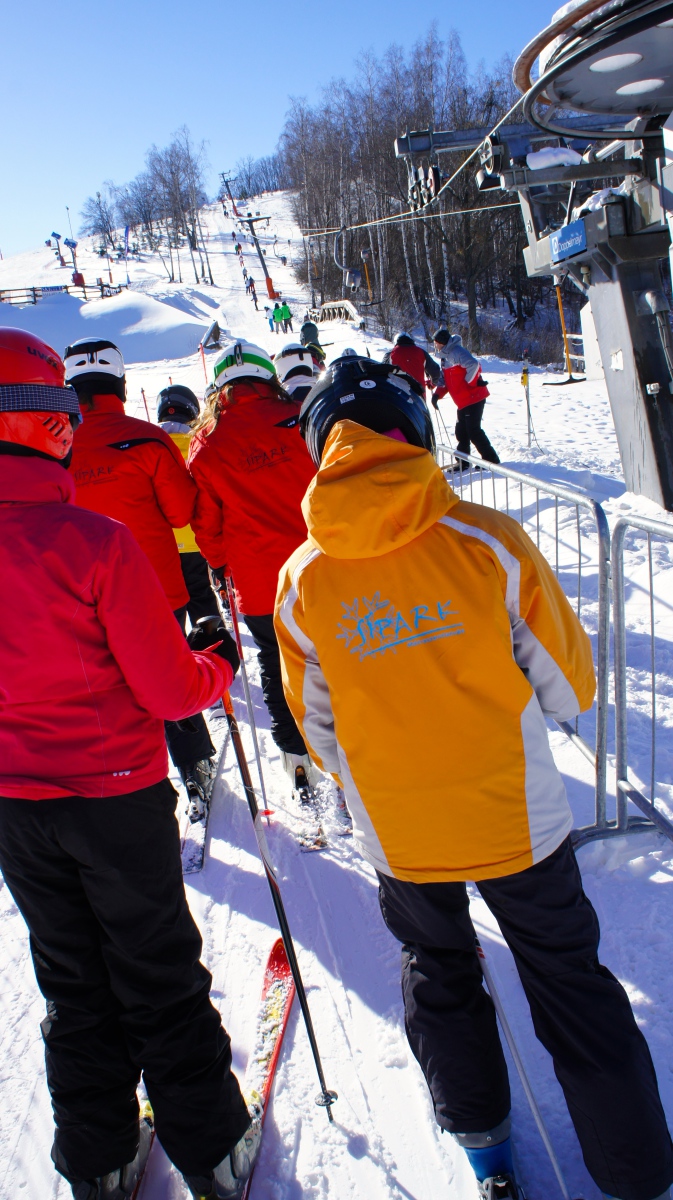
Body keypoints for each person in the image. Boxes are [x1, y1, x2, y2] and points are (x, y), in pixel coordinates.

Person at [274, 353, 673, 1200]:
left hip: (401, 831)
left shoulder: (302, 579)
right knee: (567, 978)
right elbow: (570, 685)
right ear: (414, 430)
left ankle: (481, 1144)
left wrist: (386, 762)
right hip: (513, 814)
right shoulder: (487, 540)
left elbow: (318, 729)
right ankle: (635, 1171)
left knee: (438, 968)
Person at [0, 327, 260, 1200]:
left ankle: (99, 1152)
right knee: (154, 968)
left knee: (72, 978)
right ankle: (211, 1144)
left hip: (16, 806)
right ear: (49, 427)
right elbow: (166, 691)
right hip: (112, 793)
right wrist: (216, 663)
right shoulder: (94, 541)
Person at [64, 338, 218, 816]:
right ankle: (194, 769)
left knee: (108, 690)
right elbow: (179, 514)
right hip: (156, 587)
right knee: (169, 678)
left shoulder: (56, 448)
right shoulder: (147, 440)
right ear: (122, 386)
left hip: (80, 594)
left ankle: (134, 786)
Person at [187, 340, 319, 801]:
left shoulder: (208, 443)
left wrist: (221, 565)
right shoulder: (300, 417)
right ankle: (349, 748)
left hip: (263, 581)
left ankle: (298, 762)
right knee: (341, 654)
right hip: (324, 562)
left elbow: (206, 523)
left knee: (276, 660)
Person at [156, 383, 220, 627]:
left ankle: (175, 653)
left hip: (163, 541)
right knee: (200, 593)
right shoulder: (201, 441)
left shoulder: (150, 442)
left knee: (168, 601)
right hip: (196, 538)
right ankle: (216, 650)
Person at [431, 328, 499, 465]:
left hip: (474, 398)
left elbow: (474, 365)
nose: (435, 345)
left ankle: (491, 461)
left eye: (436, 343)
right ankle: (463, 462)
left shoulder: (456, 352)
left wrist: (471, 382)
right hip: (463, 401)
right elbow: (445, 380)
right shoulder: (445, 357)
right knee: (461, 432)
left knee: (473, 431)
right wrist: (437, 394)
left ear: (442, 343)